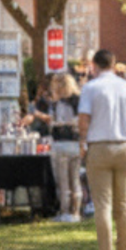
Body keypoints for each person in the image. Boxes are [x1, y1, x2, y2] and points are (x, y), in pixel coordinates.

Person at [77, 49, 126, 250]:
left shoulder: (90, 88)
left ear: (94, 65)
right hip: (124, 145)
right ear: (114, 64)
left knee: (102, 204)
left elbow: (84, 119)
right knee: (123, 204)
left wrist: (82, 143)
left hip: (99, 144)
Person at [49, 72, 82, 222]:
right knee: (75, 179)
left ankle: (65, 211)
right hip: (76, 143)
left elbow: (54, 122)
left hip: (61, 143)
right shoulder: (79, 101)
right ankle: (76, 211)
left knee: (63, 181)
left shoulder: (56, 104)